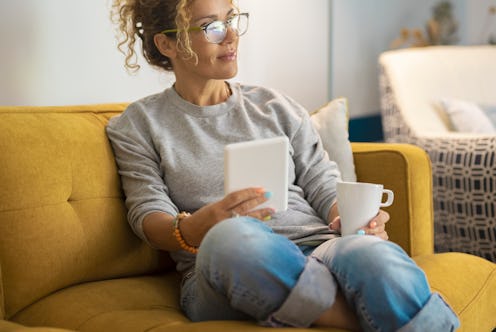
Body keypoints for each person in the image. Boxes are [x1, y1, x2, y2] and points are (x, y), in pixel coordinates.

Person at [107, 0, 460, 331]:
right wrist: (194, 228)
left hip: (321, 247)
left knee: (369, 253)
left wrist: (358, 221)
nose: (231, 35)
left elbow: (323, 183)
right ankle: (366, 316)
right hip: (223, 269)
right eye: (211, 27)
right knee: (231, 237)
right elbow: (147, 215)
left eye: (231, 19)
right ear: (168, 44)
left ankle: (322, 293)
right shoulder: (138, 125)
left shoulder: (275, 105)